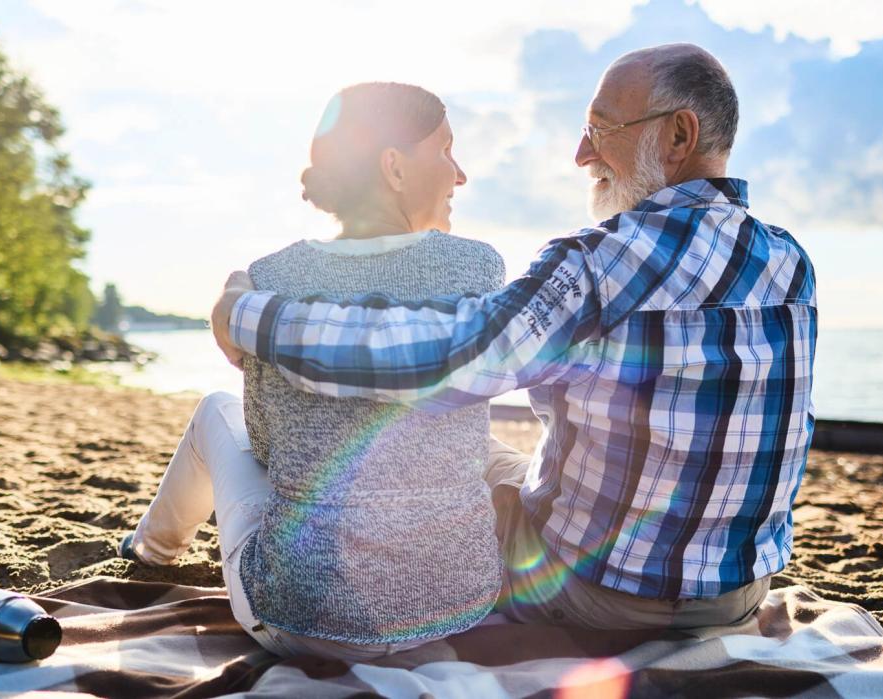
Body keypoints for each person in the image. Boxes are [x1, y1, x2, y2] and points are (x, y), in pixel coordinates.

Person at [214, 44, 817, 632]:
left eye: (601, 128)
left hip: (598, 594)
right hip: (738, 593)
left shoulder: (599, 264)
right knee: (485, 458)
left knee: (442, 467)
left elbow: (438, 360)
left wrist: (251, 316)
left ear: (679, 136)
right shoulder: (791, 263)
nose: (583, 154)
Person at [122, 82, 506, 660]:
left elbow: (270, 449)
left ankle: (150, 551)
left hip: (301, 620)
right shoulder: (478, 266)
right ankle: (149, 548)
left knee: (216, 413)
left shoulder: (272, 278)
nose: (460, 173)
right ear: (394, 168)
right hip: (456, 607)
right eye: (447, 150)